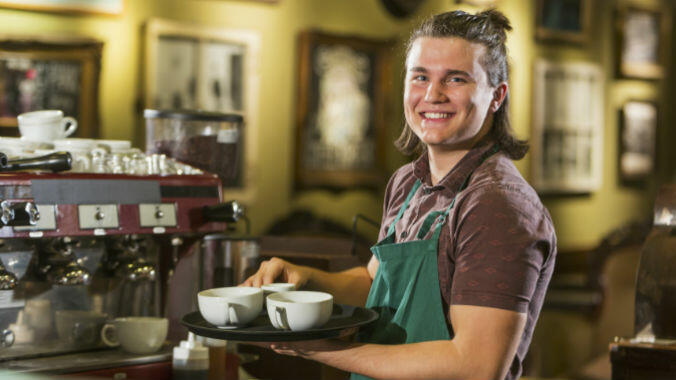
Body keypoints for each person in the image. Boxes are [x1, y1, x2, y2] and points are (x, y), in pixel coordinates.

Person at [243, 9, 557, 380]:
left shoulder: (497, 204)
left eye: (455, 79)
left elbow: (475, 365)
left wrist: (321, 349)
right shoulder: (407, 183)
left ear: (496, 96)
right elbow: (378, 284)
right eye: (420, 76)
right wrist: (307, 279)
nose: (432, 95)